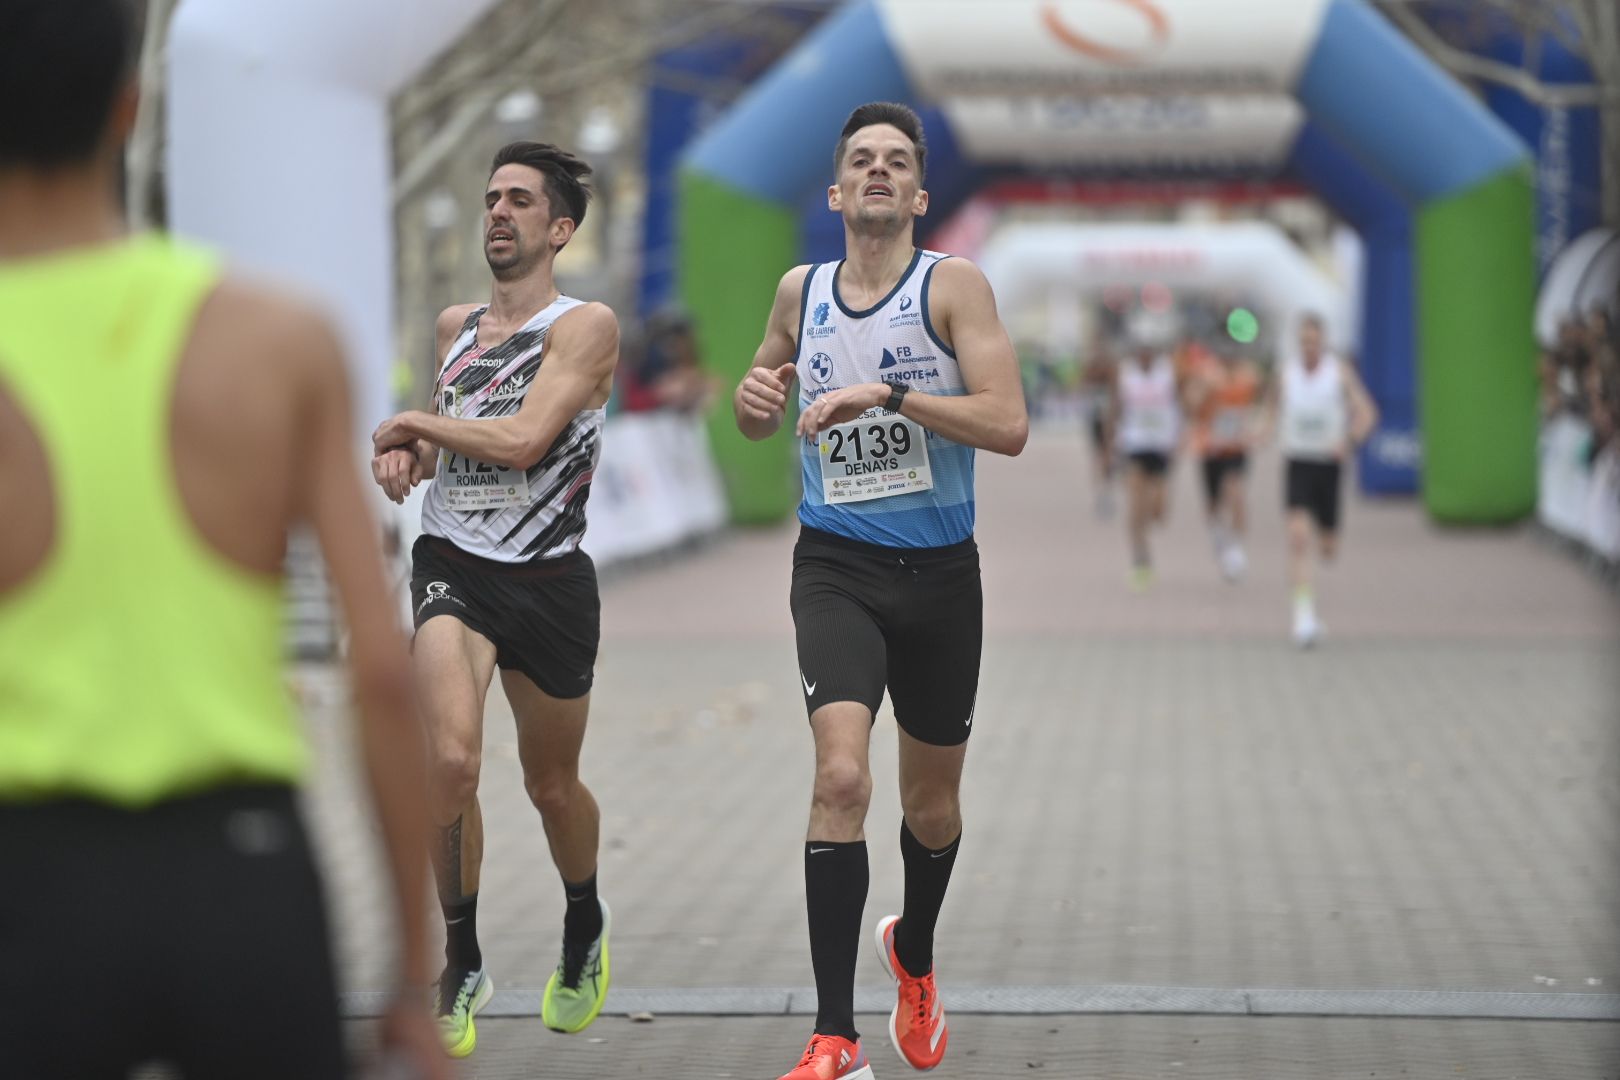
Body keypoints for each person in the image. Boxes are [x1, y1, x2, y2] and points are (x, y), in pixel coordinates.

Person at [0, 2, 447, 1077]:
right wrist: (411, 983)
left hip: (32, 884)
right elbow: (383, 671)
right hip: (242, 876)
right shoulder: (273, 337)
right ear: (128, 108)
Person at [733, 101, 1028, 1080]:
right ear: (834, 188)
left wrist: (892, 394)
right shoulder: (798, 292)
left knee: (932, 806)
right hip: (836, 567)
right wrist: (752, 398)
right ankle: (834, 1037)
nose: (876, 172)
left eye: (895, 162)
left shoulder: (954, 288)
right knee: (843, 778)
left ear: (918, 193)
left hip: (942, 575)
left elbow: (1008, 422)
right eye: (860, 159)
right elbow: (758, 405)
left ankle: (915, 952)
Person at [371, 140, 619, 1057]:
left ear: (558, 228)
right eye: (490, 199)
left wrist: (407, 421)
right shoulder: (452, 327)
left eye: (519, 201)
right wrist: (411, 454)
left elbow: (519, 439)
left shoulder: (583, 326)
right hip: (455, 564)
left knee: (551, 786)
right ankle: (461, 958)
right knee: (452, 764)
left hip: (551, 581)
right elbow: (451, 442)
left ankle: (585, 921)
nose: (498, 214)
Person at [1263, 313, 1377, 646]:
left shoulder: (1338, 373)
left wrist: (1350, 441)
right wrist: (1260, 433)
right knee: (1297, 538)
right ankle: (1303, 617)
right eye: (1303, 342)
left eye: (1313, 341)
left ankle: (1325, 540)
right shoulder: (1285, 374)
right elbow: (1269, 414)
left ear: (1323, 342)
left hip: (1328, 465)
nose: (1308, 347)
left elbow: (1367, 414)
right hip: (1298, 461)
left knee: (1327, 549)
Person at [1186, 340, 1263, 581]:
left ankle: (1236, 550)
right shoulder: (1206, 374)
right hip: (1211, 449)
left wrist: (1257, 429)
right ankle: (1218, 535)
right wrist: (1204, 391)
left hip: (1236, 448)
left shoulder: (1250, 375)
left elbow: (1260, 405)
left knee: (1236, 494)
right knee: (1213, 505)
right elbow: (1190, 405)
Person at [1113, 341, 1183, 589]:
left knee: (1157, 510)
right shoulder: (1125, 374)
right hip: (1134, 445)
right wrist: (1113, 444)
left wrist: (1178, 440)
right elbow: (1116, 408)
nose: (1144, 355)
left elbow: (1179, 404)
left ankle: (1145, 534)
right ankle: (1140, 559)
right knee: (1136, 507)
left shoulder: (1169, 372)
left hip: (1161, 446)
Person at [1078, 345, 1119, 519]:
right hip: (1097, 419)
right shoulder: (1094, 372)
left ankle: (1105, 491)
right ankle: (1102, 492)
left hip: (1106, 419)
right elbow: (1083, 386)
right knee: (1100, 456)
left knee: (1105, 456)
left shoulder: (1109, 374)